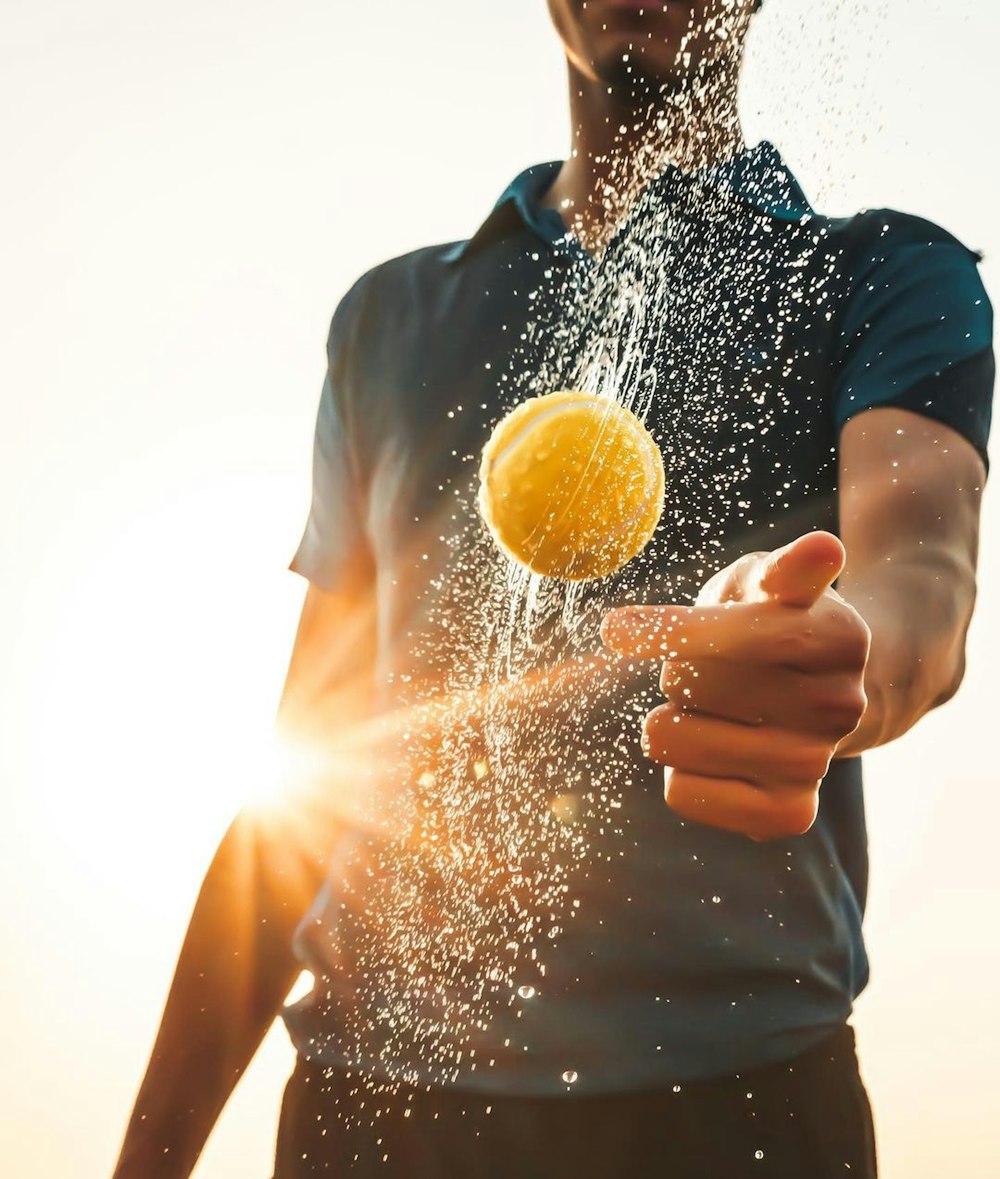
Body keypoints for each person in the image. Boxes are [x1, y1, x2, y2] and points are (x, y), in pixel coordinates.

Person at [112, 2, 993, 1177]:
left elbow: (919, 576)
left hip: (736, 1109)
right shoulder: (388, 317)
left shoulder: (880, 273)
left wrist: (850, 649)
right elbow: (306, 775)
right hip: (374, 1112)